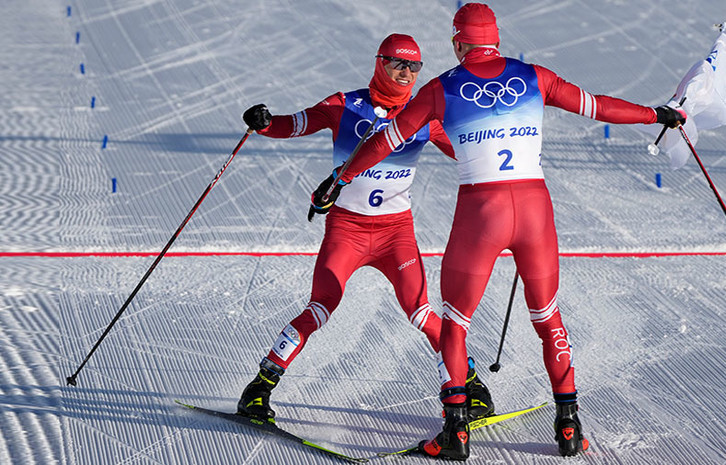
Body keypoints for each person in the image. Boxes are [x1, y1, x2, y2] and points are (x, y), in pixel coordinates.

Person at [312, 4, 687, 460]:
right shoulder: (535, 76)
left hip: (481, 213)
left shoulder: (441, 88)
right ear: (496, 40)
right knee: (548, 317)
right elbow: (598, 106)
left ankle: (455, 434)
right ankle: (569, 426)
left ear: (457, 43)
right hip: (534, 211)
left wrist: (341, 178)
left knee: (454, 323)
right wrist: (657, 114)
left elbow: (385, 141)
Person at [236, 33, 495, 424]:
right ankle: (259, 388)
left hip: (396, 234)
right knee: (321, 307)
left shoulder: (425, 114)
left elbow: (467, 150)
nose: (406, 72)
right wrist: (266, 123)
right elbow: (297, 123)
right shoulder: (344, 104)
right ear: (381, 63)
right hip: (347, 230)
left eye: (414, 66)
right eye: (398, 64)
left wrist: (505, 161)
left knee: (422, 312)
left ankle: (470, 384)